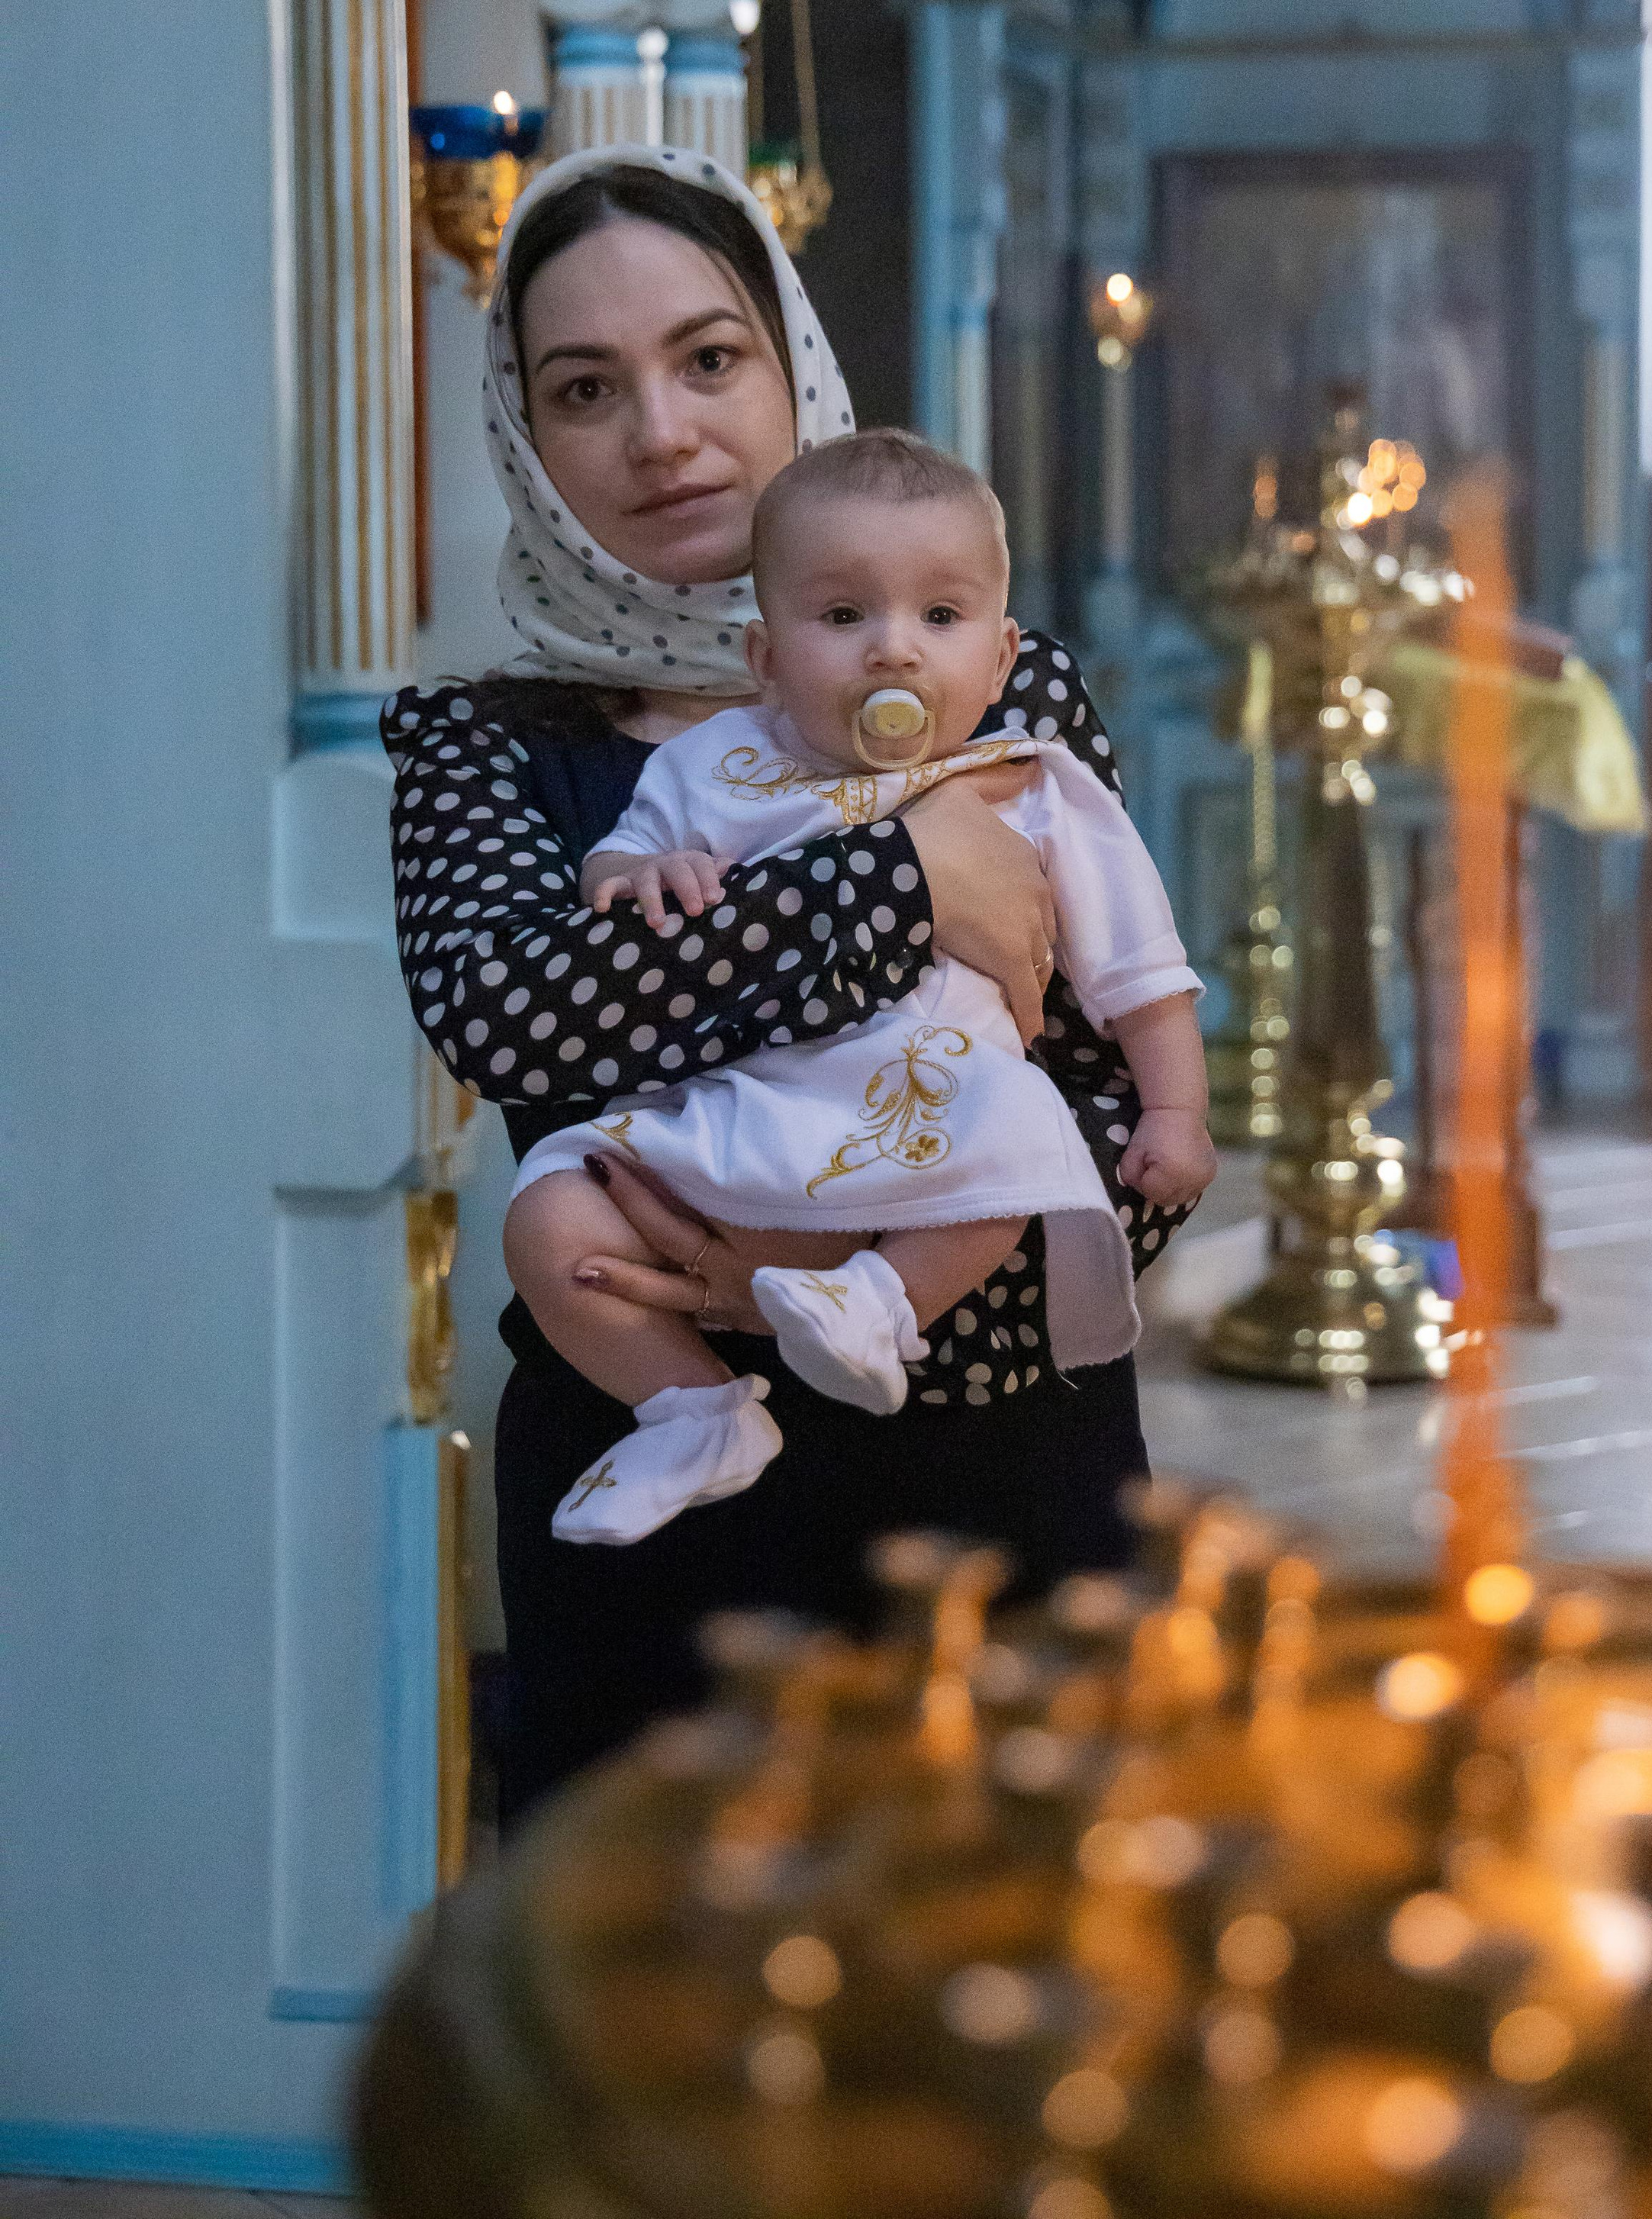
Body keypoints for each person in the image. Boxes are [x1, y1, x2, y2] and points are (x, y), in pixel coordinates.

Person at [385, 143, 1193, 1821]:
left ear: (789, 359)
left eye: (707, 357)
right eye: (583, 387)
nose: (661, 433)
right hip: (665, 1517)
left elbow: (1113, 1101)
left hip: (995, 1460)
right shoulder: (486, 741)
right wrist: (901, 874)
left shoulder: (999, 676)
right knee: (638, 2023)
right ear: (526, 437)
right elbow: (514, 1016)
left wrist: (821, 1280)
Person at [504, 427, 1214, 1544]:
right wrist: (643, 870)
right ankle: (691, 1410)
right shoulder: (716, 764)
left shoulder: (1027, 781)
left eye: (941, 617)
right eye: (843, 618)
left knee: (1016, 1149)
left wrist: (1177, 1111)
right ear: (768, 657)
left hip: (934, 1106)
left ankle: (882, 1303)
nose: (893, 651)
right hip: (737, 1114)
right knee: (548, 1215)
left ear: (1000, 656)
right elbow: (607, 870)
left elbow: (1138, 964)